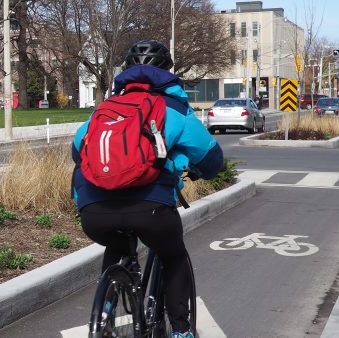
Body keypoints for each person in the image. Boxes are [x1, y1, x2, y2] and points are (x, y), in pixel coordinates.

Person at [72, 40, 224, 338]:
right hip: (150, 208)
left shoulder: (104, 109)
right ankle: (181, 331)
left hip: (94, 211)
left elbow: (78, 151)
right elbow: (210, 158)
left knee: (117, 245)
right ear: (167, 71)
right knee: (174, 257)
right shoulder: (174, 109)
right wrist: (200, 170)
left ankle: (104, 315)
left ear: (127, 72)